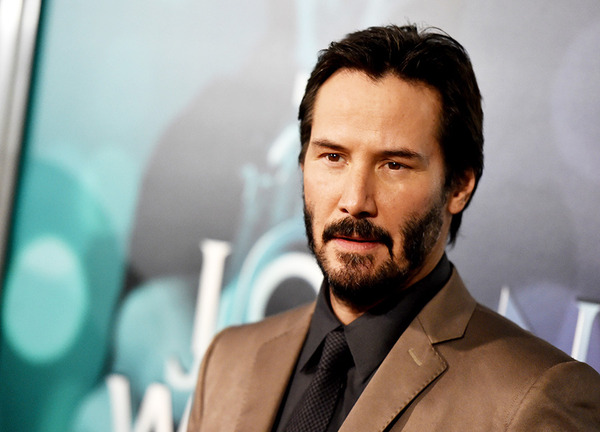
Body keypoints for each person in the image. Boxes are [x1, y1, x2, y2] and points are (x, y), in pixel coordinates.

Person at [187, 24, 600, 431]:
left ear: (458, 186)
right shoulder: (228, 360)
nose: (355, 201)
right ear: (302, 163)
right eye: (333, 157)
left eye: (394, 165)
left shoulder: (534, 400)